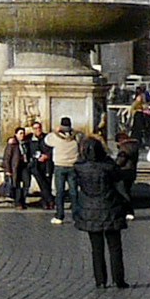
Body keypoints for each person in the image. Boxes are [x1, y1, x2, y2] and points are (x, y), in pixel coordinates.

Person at [72, 136, 132, 289]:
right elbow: (119, 181)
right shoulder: (108, 166)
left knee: (96, 248)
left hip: (89, 211)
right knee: (115, 247)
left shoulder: (79, 167)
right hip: (110, 208)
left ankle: (100, 280)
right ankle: (119, 279)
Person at [49, 117, 81, 223]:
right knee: (73, 191)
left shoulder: (55, 136)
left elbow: (46, 141)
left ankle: (59, 215)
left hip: (59, 165)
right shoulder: (76, 136)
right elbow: (83, 140)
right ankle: (76, 216)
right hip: (72, 165)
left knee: (59, 192)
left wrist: (55, 131)